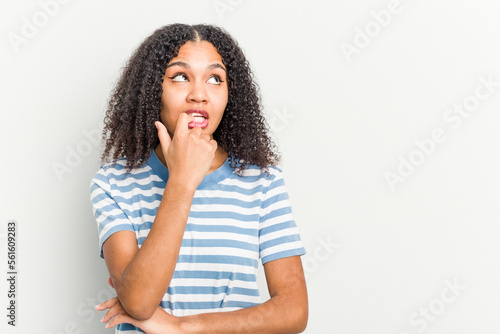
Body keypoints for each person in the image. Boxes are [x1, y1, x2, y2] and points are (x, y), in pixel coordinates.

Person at [89, 23, 308, 333]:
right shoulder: (113, 183)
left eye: (215, 79)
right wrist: (181, 180)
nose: (200, 95)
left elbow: (294, 310)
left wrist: (182, 327)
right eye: (180, 77)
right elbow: (139, 302)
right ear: (153, 89)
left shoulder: (262, 182)